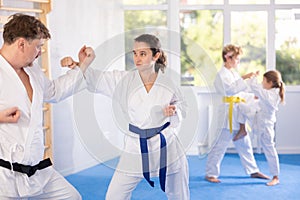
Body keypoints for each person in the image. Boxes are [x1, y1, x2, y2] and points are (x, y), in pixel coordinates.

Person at [62, 33, 190, 199]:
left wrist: (174, 110)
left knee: (179, 194)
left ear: (156, 55)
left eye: (143, 54)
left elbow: (182, 106)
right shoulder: (123, 80)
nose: (137, 58)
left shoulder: (168, 83)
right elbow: (96, 78)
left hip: (167, 146)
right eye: (135, 53)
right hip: (136, 146)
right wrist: (79, 65)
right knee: (114, 196)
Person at [0, 13, 95, 199]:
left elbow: (53, 92)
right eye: (38, 46)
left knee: (71, 197)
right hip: (5, 176)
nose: (40, 52)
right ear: (21, 44)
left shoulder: (31, 69)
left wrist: (83, 65)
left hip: (37, 171)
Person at [205, 44, 269, 183]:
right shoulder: (221, 74)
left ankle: (253, 170)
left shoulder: (233, 73)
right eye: (237, 59)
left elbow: (239, 91)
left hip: (237, 112)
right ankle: (211, 173)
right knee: (220, 144)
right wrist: (245, 77)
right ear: (228, 58)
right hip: (227, 113)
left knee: (244, 143)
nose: (238, 62)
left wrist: (253, 96)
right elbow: (231, 90)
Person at [246, 70, 285, 186]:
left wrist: (253, 77)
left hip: (266, 126)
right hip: (262, 123)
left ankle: (275, 176)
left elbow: (255, 87)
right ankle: (273, 175)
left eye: (263, 81)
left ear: (270, 83)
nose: (262, 83)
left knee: (269, 149)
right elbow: (259, 92)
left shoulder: (271, 95)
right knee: (267, 148)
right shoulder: (270, 92)